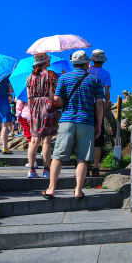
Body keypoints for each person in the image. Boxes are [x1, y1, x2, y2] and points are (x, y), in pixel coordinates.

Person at [43, 51, 105, 198]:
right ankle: (78, 190)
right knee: (82, 158)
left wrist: (66, 105)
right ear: (86, 63)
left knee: (58, 156)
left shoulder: (64, 77)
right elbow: (99, 104)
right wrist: (99, 125)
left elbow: (57, 97)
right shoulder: (94, 79)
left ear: (73, 63)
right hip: (86, 121)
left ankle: (51, 188)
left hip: (67, 121)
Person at [26, 54, 59, 178]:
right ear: (45, 61)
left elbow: (29, 97)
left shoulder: (30, 77)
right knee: (46, 141)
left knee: (33, 140)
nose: (50, 60)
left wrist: (31, 110)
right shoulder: (52, 75)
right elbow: (57, 92)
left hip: (34, 107)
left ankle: (31, 170)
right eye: (48, 58)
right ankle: (46, 170)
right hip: (48, 106)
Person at [87, 49, 112, 170]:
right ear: (103, 61)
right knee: (98, 136)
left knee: (85, 135)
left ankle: (84, 165)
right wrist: (106, 105)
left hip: (85, 104)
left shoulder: (86, 70)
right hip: (98, 104)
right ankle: (96, 167)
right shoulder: (106, 73)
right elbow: (107, 93)